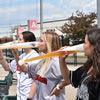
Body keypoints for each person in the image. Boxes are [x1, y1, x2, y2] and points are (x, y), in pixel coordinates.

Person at [16, 32, 67, 100]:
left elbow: (69, 79)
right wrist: (15, 53)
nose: (38, 43)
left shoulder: (56, 62)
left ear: (49, 44)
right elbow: (24, 68)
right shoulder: (43, 61)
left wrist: (59, 87)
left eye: (41, 40)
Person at [59, 28, 100, 100]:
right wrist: (62, 60)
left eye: (85, 43)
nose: (83, 46)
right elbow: (68, 79)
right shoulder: (88, 66)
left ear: (95, 46)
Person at [0, 31, 39, 100]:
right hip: (20, 95)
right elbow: (7, 68)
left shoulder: (35, 57)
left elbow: (36, 80)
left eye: (20, 39)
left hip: (29, 96)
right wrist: (1, 55)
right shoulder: (22, 55)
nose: (17, 41)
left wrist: (15, 54)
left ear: (27, 42)